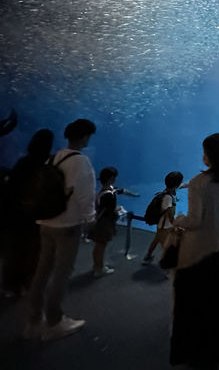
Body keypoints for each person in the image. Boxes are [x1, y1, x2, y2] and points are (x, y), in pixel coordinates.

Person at [170, 133, 219, 368]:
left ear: (210, 156)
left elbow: (195, 220)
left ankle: (197, 354)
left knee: (197, 306)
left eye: (205, 151)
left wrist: (178, 219)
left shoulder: (198, 183)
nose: (202, 156)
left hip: (200, 254)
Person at [25, 118, 97, 341]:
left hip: (46, 222)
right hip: (67, 225)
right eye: (88, 135)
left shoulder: (54, 157)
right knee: (62, 273)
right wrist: (90, 219)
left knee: (42, 271)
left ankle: (33, 320)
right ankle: (54, 322)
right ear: (85, 136)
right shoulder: (81, 161)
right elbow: (84, 194)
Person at [3, 129, 54, 297]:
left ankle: (10, 285)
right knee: (34, 251)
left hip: (16, 215)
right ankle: (27, 283)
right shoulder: (47, 166)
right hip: (36, 217)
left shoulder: (22, 163)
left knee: (15, 251)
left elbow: (10, 190)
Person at [142, 170, 184, 266]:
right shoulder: (168, 197)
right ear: (177, 184)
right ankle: (167, 267)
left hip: (161, 225)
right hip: (165, 227)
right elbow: (168, 213)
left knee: (156, 239)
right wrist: (175, 224)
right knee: (167, 247)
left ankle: (148, 256)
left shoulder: (166, 192)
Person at [88, 167, 121, 277]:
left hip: (101, 222)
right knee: (101, 245)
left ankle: (97, 265)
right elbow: (105, 210)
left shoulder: (104, 191)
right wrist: (117, 210)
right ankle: (99, 269)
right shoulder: (108, 195)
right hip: (104, 224)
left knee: (99, 245)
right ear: (111, 178)